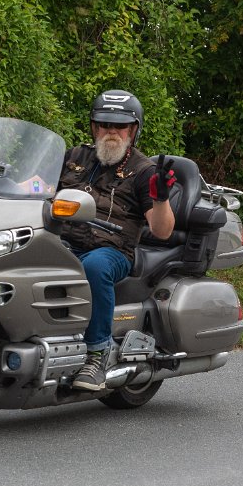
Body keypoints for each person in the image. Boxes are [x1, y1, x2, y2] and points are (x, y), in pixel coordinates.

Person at [59, 89, 176, 391]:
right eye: (105, 124)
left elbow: (162, 230)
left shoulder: (143, 171)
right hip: (62, 242)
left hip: (111, 250)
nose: (112, 131)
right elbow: (34, 185)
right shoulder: (73, 157)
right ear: (94, 126)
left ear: (133, 130)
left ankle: (98, 353)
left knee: (95, 267)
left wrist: (161, 197)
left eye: (120, 125)